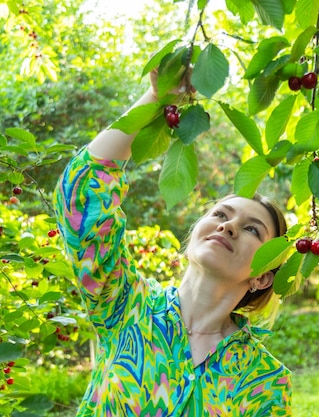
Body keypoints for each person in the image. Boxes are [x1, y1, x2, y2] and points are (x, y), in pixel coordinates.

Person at [53, 71, 292, 416]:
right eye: (221, 214)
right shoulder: (126, 305)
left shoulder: (266, 382)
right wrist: (154, 99)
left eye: (253, 230)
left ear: (263, 277)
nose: (228, 227)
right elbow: (81, 194)